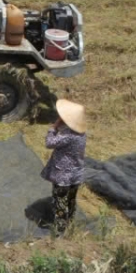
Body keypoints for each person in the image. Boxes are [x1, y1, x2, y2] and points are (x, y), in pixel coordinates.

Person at [42, 99, 87, 236]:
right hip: (76, 174)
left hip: (63, 176)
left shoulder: (68, 136)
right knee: (71, 202)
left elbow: (49, 143)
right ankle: (70, 225)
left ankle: (59, 232)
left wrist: (54, 127)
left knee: (60, 203)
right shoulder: (82, 133)